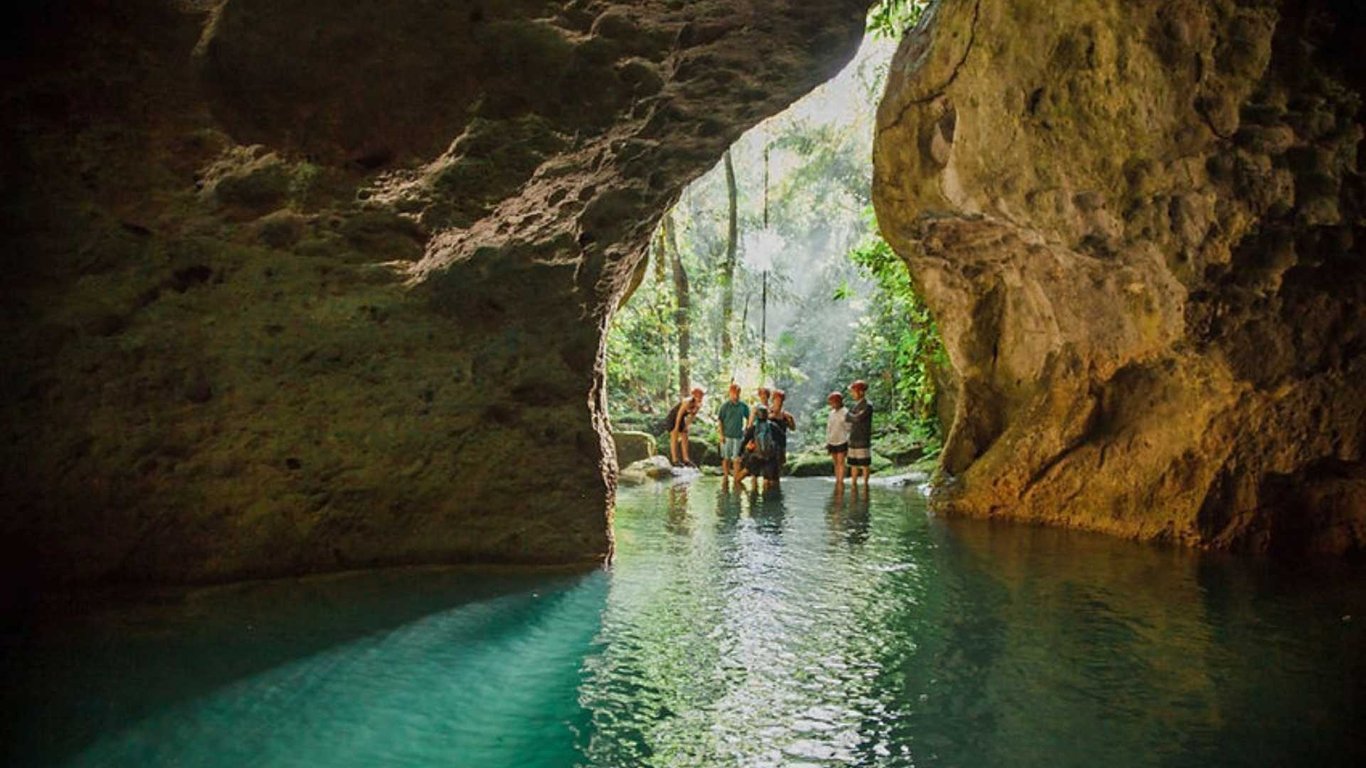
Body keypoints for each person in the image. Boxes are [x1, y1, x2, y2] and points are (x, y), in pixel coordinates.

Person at [716, 383, 750, 487]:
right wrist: (721, 435)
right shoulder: (725, 406)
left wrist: (746, 429)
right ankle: (726, 477)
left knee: (736, 459)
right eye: (733, 393)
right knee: (726, 458)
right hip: (726, 435)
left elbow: (749, 418)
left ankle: (736, 478)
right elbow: (720, 421)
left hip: (738, 436)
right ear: (730, 393)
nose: (736, 395)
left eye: (737, 393)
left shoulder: (743, 406)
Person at [734, 405, 772, 491]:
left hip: (756, 457)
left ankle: (740, 492)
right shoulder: (772, 426)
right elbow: (781, 438)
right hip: (769, 458)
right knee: (767, 483)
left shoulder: (754, 427)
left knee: (738, 479)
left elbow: (744, 441)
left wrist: (739, 455)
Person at [666, 386, 705, 467]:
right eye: (698, 395)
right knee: (674, 436)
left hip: (682, 418)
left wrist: (686, 426)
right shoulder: (687, 401)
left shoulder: (698, 405)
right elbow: (679, 414)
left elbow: (691, 417)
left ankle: (686, 459)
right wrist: (676, 427)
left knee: (685, 436)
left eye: (701, 396)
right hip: (674, 417)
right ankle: (674, 460)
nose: (700, 397)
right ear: (694, 395)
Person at [766, 389, 796, 489]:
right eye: (777, 399)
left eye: (781, 400)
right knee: (767, 473)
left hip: (781, 446)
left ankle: (776, 495)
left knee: (777, 471)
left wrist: (790, 420)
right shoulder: (767, 413)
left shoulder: (785, 415)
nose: (779, 402)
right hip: (769, 446)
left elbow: (793, 428)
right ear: (773, 400)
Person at [846, 379, 873, 490]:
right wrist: (851, 416)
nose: (852, 394)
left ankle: (865, 485)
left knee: (864, 463)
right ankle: (854, 484)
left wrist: (851, 416)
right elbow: (849, 418)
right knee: (853, 463)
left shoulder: (868, 405)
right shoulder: (855, 406)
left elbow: (857, 418)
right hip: (853, 437)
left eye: (854, 391)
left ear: (861, 392)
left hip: (863, 438)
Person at [825, 391, 850, 490]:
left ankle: (841, 481)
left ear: (839, 401)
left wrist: (849, 440)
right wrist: (827, 441)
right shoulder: (831, 413)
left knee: (841, 462)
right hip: (832, 440)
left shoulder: (845, 412)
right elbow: (829, 428)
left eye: (833, 402)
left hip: (842, 440)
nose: (831, 404)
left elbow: (849, 427)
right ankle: (837, 480)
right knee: (835, 462)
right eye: (830, 402)